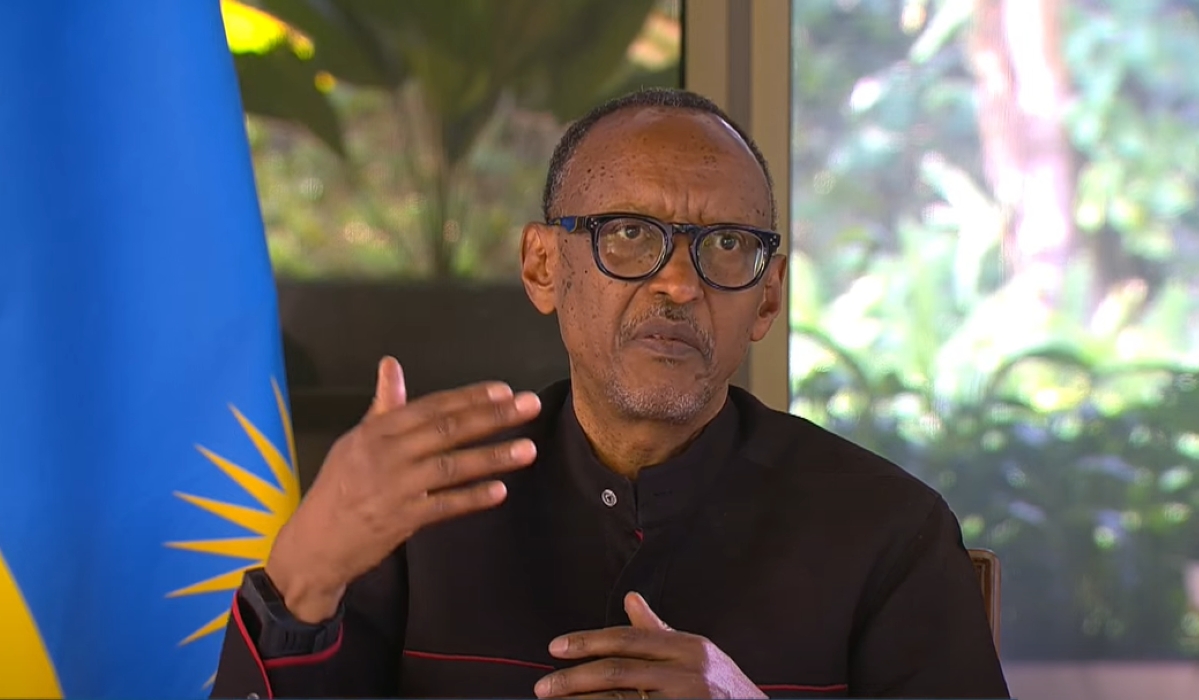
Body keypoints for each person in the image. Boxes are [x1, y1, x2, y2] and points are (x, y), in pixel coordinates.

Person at [211, 88, 1009, 700]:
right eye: (629, 233)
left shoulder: (885, 532)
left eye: (725, 245)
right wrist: (302, 576)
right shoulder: (419, 510)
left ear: (766, 299)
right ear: (542, 267)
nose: (678, 283)